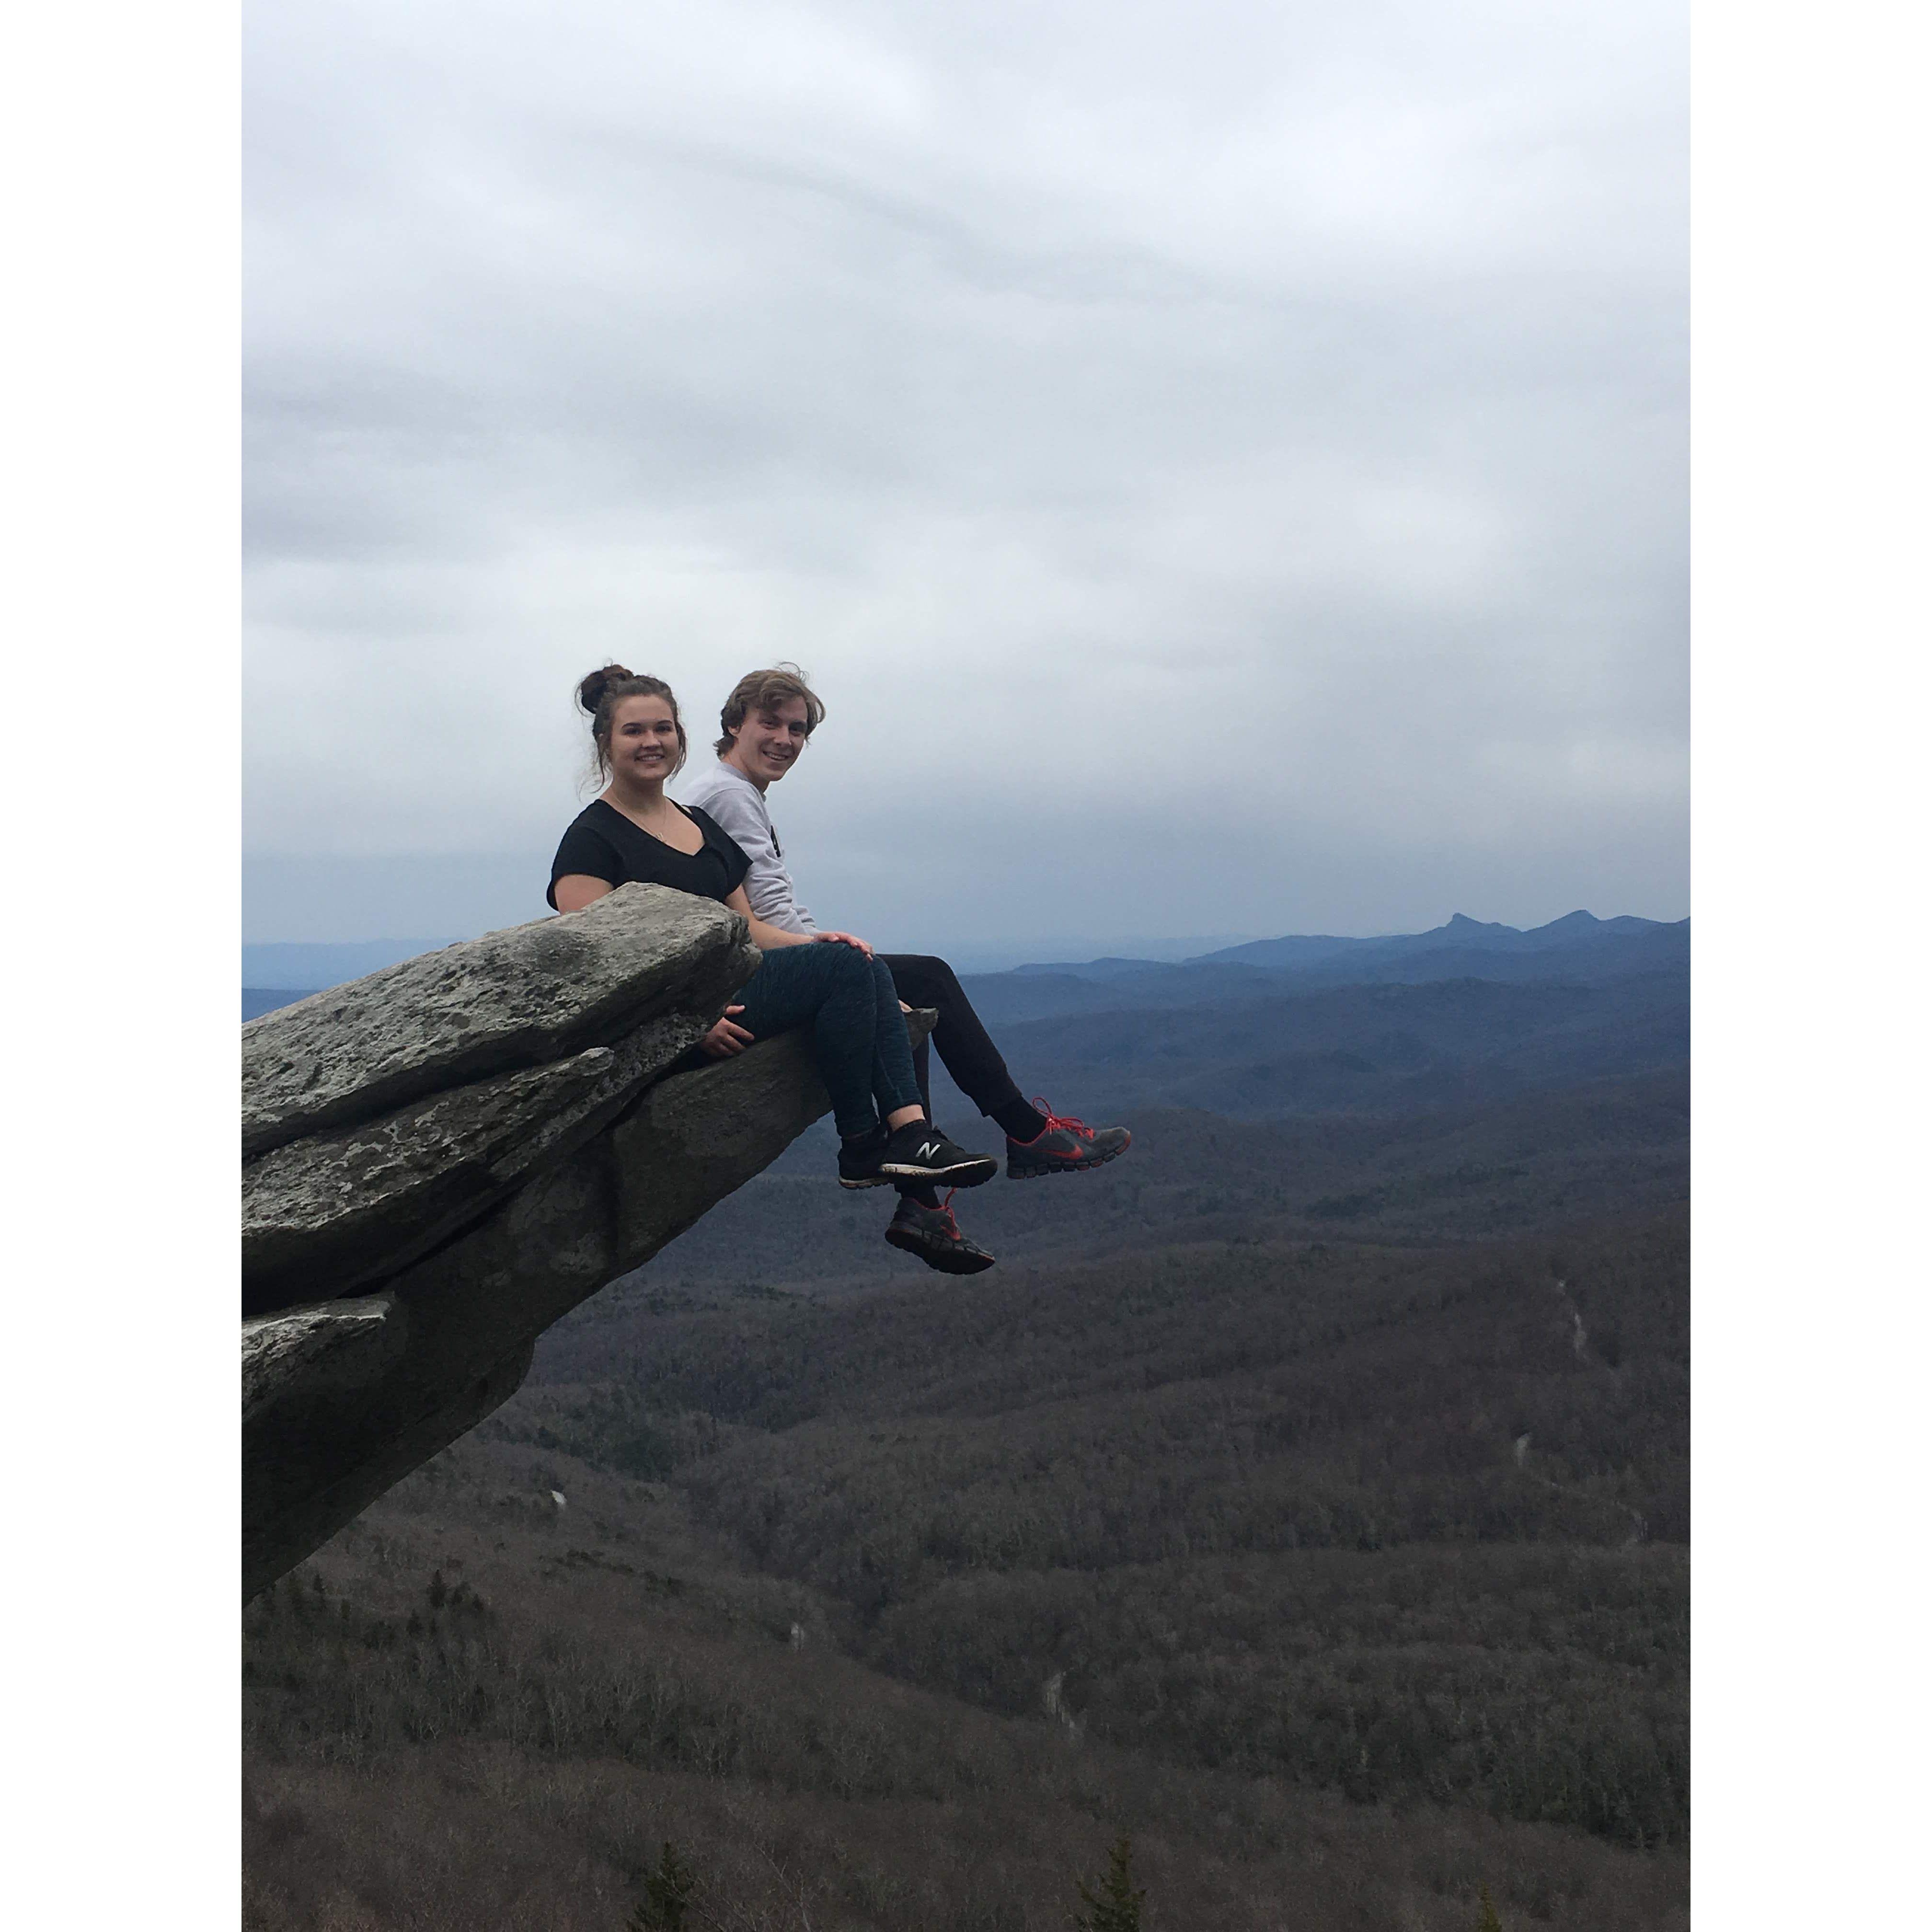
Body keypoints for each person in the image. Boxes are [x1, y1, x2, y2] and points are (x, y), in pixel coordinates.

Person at [680, 664, 1131, 1274]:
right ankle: (1015, 1139)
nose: (786, 739)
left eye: (798, 728)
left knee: (915, 980)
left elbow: (762, 906)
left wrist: (833, 954)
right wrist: (834, 962)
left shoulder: (733, 793)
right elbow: (759, 913)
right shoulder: (728, 794)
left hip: (773, 957)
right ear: (734, 723)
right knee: (916, 979)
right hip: (762, 973)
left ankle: (931, 1194)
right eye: (771, 723)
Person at [548, 666, 1001, 1235]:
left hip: (733, 986)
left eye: (662, 729)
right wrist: (685, 1024)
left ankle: (902, 1136)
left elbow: (748, 929)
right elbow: (593, 964)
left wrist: (812, 943)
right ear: (605, 743)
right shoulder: (592, 837)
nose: (651, 743)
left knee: (855, 960)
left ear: (680, 737)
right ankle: (868, 1142)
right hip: (681, 1021)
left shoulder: (699, 824)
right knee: (845, 969)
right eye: (634, 732)